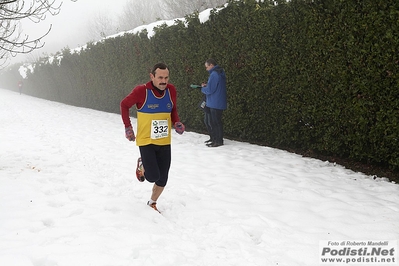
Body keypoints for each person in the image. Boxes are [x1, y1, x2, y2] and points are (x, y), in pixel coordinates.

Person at [120, 63, 185, 212]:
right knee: (152, 176)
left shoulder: (171, 90)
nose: (164, 81)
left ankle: (152, 202)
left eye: (166, 77)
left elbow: (172, 109)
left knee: (163, 178)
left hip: (164, 140)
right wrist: (128, 127)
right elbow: (124, 105)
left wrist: (177, 122)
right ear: (152, 76)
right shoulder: (141, 91)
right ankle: (142, 165)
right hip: (146, 140)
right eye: (160, 77)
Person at [201, 59, 227, 147]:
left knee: (215, 122)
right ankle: (216, 139)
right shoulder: (220, 72)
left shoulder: (214, 74)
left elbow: (210, 90)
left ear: (211, 65)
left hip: (214, 102)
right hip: (218, 101)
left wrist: (203, 88)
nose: (206, 69)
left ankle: (218, 141)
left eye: (207, 67)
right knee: (216, 122)